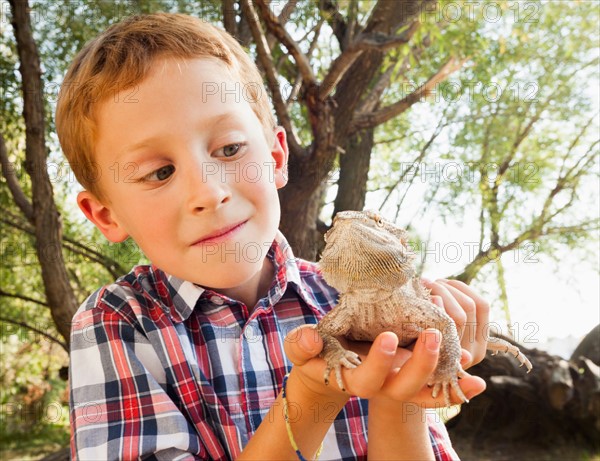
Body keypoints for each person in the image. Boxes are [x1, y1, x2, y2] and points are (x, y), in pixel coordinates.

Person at [56, 12, 488, 461]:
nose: (209, 192)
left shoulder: (347, 298)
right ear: (104, 214)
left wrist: (401, 388)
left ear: (277, 156)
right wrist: (310, 399)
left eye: (229, 148)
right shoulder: (117, 323)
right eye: (159, 172)